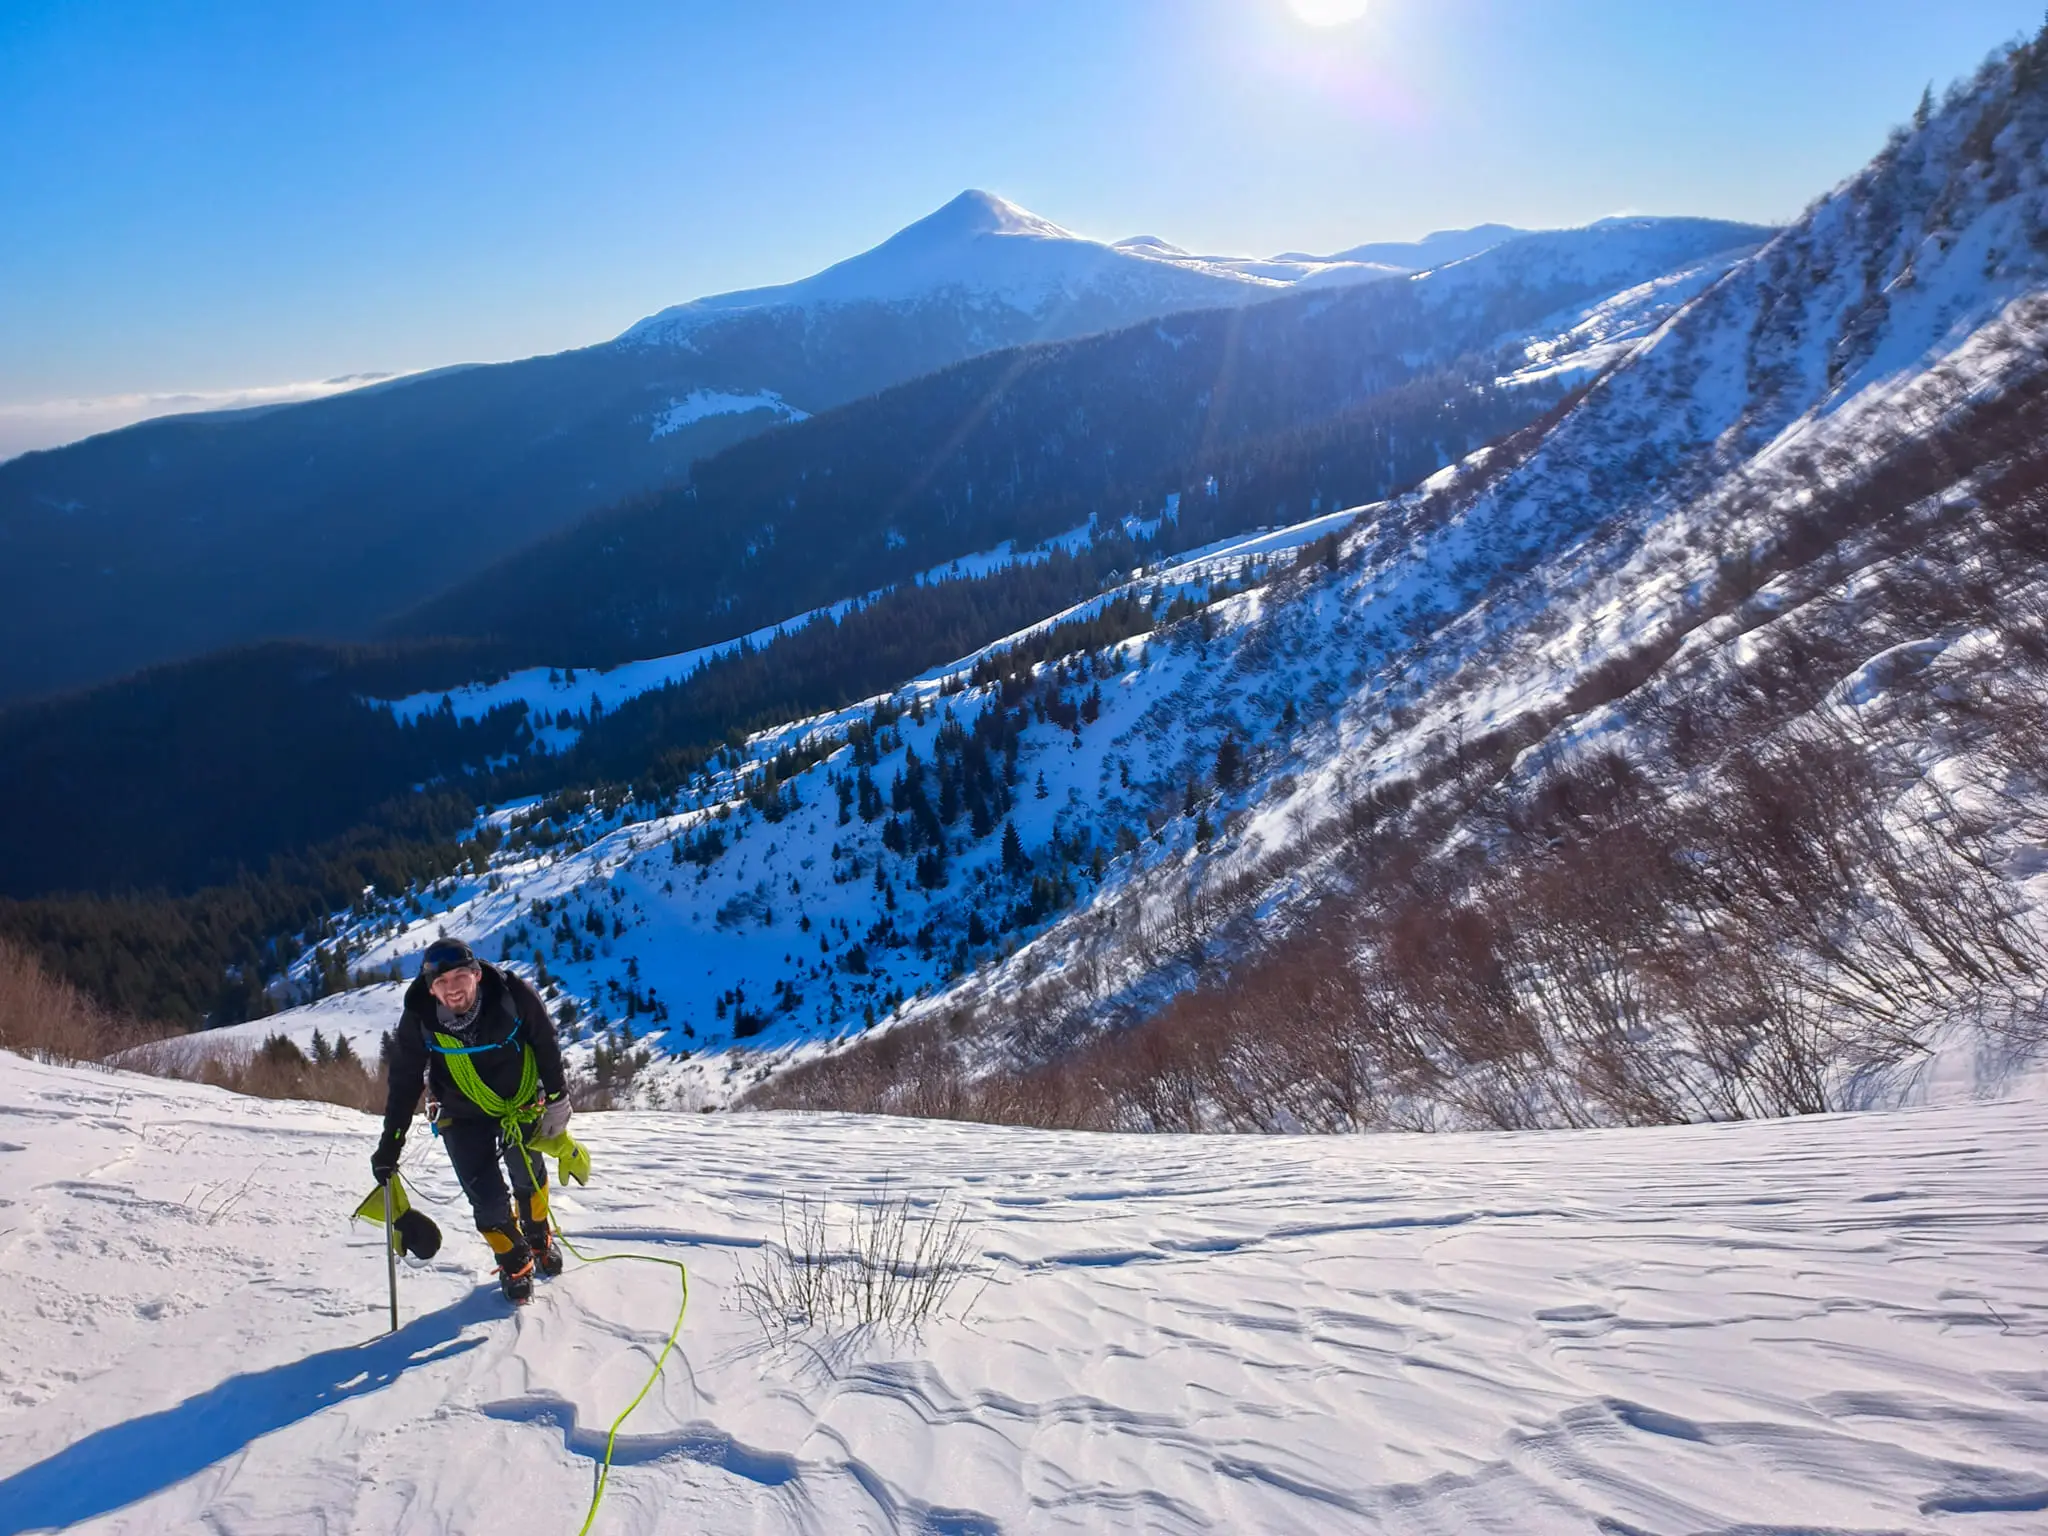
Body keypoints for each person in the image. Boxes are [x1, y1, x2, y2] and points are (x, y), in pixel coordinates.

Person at [373, 937, 573, 1302]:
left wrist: (558, 1098)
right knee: (487, 1199)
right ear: (430, 989)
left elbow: (545, 1042)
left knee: (528, 1175)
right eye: (441, 983)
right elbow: (404, 1082)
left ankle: (538, 1237)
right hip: (460, 1111)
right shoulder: (420, 1017)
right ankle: (515, 1262)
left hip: (520, 1100)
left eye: (459, 977)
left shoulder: (512, 995)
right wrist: (390, 1146)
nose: (452, 990)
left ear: (476, 975)